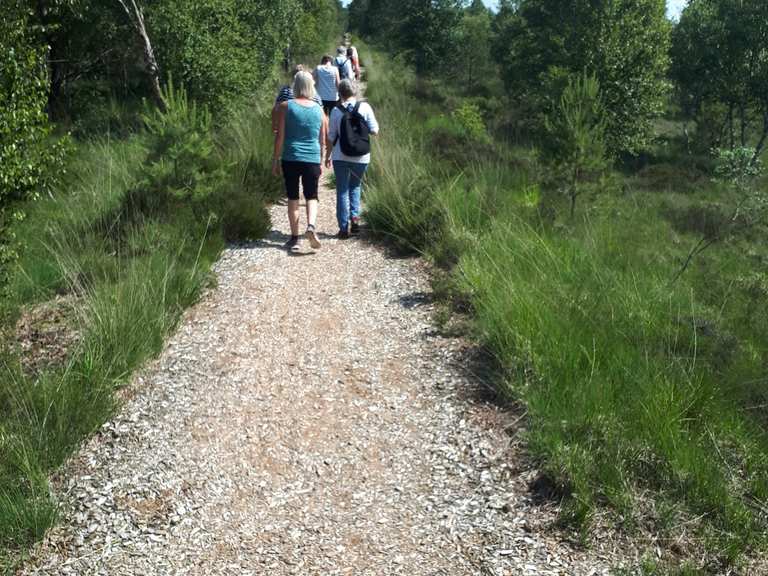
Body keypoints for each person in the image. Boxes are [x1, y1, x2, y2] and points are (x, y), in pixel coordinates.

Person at [273, 71, 328, 252]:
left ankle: (295, 239)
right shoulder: (319, 109)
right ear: (311, 86)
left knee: (293, 197)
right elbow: (321, 140)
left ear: (295, 85)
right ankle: (311, 226)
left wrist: (275, 159)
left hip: (291, 157)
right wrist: (320, 162)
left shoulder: (285, 106)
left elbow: (279, 136)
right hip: (312, 158)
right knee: (312, 196)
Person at [326, 79, 379, 239]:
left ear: (340, 93)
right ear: (354, 91)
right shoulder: (365, 107)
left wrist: (327, 156)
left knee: (342, 190)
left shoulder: (336, 111)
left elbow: (331, 136)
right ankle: (355, 221)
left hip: (340, 156)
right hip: (362, 157)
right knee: (355, 187)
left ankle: (343, 228)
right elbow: (375, 130)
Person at [272, 65, 322, 133]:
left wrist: (275, 126)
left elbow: (276, 109)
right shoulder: (315, 94)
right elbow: (322, 117)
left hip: (288, 129)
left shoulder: (286, 90)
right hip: (310, 131)